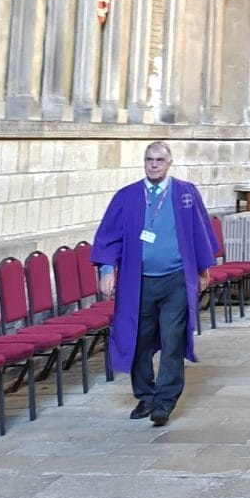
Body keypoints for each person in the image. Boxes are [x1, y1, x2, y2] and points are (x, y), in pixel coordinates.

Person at [92, 142, 218, 426]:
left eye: (159, 159)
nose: (154, 164)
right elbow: (108, 236)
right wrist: (108, 269)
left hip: (175, 279)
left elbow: (200, 230)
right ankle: (145, 395)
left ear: (169, 163)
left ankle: (164, 402)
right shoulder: (127, 196)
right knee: (139, 339)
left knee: (173, 340)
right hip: (138, 283)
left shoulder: (185, 193)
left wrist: (201, 270)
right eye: (149, 159)